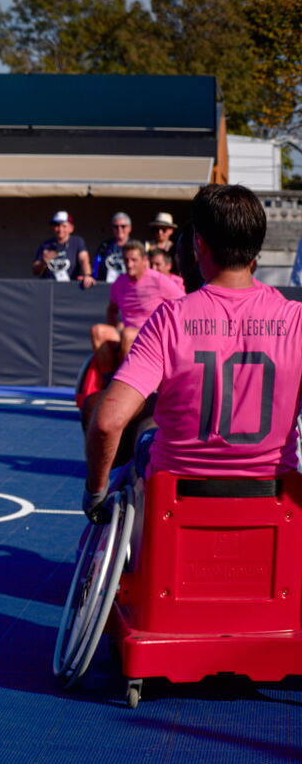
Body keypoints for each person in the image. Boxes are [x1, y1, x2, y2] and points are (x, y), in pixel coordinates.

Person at [84, 185, 302, 523]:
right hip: (272, 505)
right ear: (256, 248)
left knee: (141, 443)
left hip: (176, 507)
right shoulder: (296, 321)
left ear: (199, 245)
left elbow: (107, 422)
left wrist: (95, 494)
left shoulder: (170, 319)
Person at [88, 240, 185, 379]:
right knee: (97, 331)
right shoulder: (119, 282)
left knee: (127, 335)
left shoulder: (158, 280)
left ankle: (126, 383)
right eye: (126, 260)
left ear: (144, 260)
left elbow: (183, 303)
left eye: (134, 260)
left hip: (152, 337)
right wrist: (115, 326)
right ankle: (108, 380)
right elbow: (112, 310)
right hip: (127, 333)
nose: (129, 264)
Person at [32, 210, 94, 287]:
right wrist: (43, 262)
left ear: (71, 228)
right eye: (57, 226)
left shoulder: (77, 242)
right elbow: (35, 271)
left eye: (64, 226)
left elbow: (84, 260)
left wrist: (87, 275)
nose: (60, 229)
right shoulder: (46, 244)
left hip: (69, 288)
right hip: (48, 288)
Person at [95, 212, 133, 283]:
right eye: (116, 227)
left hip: (129, 286)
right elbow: (96, 267)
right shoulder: (104, 245)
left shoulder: (135, 246)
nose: (119, 229)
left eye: (123, 226)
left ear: (129, 228)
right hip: (106, 286)